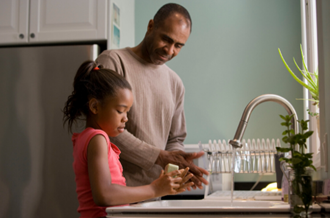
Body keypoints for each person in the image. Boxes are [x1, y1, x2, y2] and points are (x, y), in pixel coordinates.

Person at [96, 3, 208, 190]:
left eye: (178, 45)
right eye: (166, 39)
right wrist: (159, 157)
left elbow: (175, 139)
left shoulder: (175, 83)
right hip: (116, 192)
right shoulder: (113, 62)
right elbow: (104, 128)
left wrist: (177, 161)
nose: (170, 50)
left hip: (154, 194)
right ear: (150, 26)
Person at [63, 61, 194, 218]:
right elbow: (104, 195)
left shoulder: (87, 138)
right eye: (120, 111)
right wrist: (154, 189)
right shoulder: (97, 139)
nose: (126, 118)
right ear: (95, 107)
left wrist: (160, 187)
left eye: (127, 111)